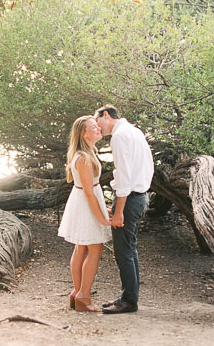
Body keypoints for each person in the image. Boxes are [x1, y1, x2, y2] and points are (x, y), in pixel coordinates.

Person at [94, 104, 154, 314]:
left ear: (106, 115)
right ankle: (128, 296)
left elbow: (124, 178)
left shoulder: (119, 137)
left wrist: (118, 211)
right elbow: (146, 167)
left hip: (131, 198)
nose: (98, 128)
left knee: (123, 251)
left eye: (98, 122)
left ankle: (128, 302)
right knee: (130, 249)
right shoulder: (134, 131)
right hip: (139, 196)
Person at [57, 115, 114, 312]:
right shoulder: (83, 158)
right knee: (94, 249)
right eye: (93, 127)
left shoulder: (87, 153)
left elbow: (92, 191)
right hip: (85, 205)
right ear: (83, 133)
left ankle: (77, 293)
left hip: (84, 202)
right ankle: (83, 296)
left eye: (97, 126)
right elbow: (90, 193)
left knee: (81, 248)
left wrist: (103, 208)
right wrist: (101, 218)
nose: (98, 128)